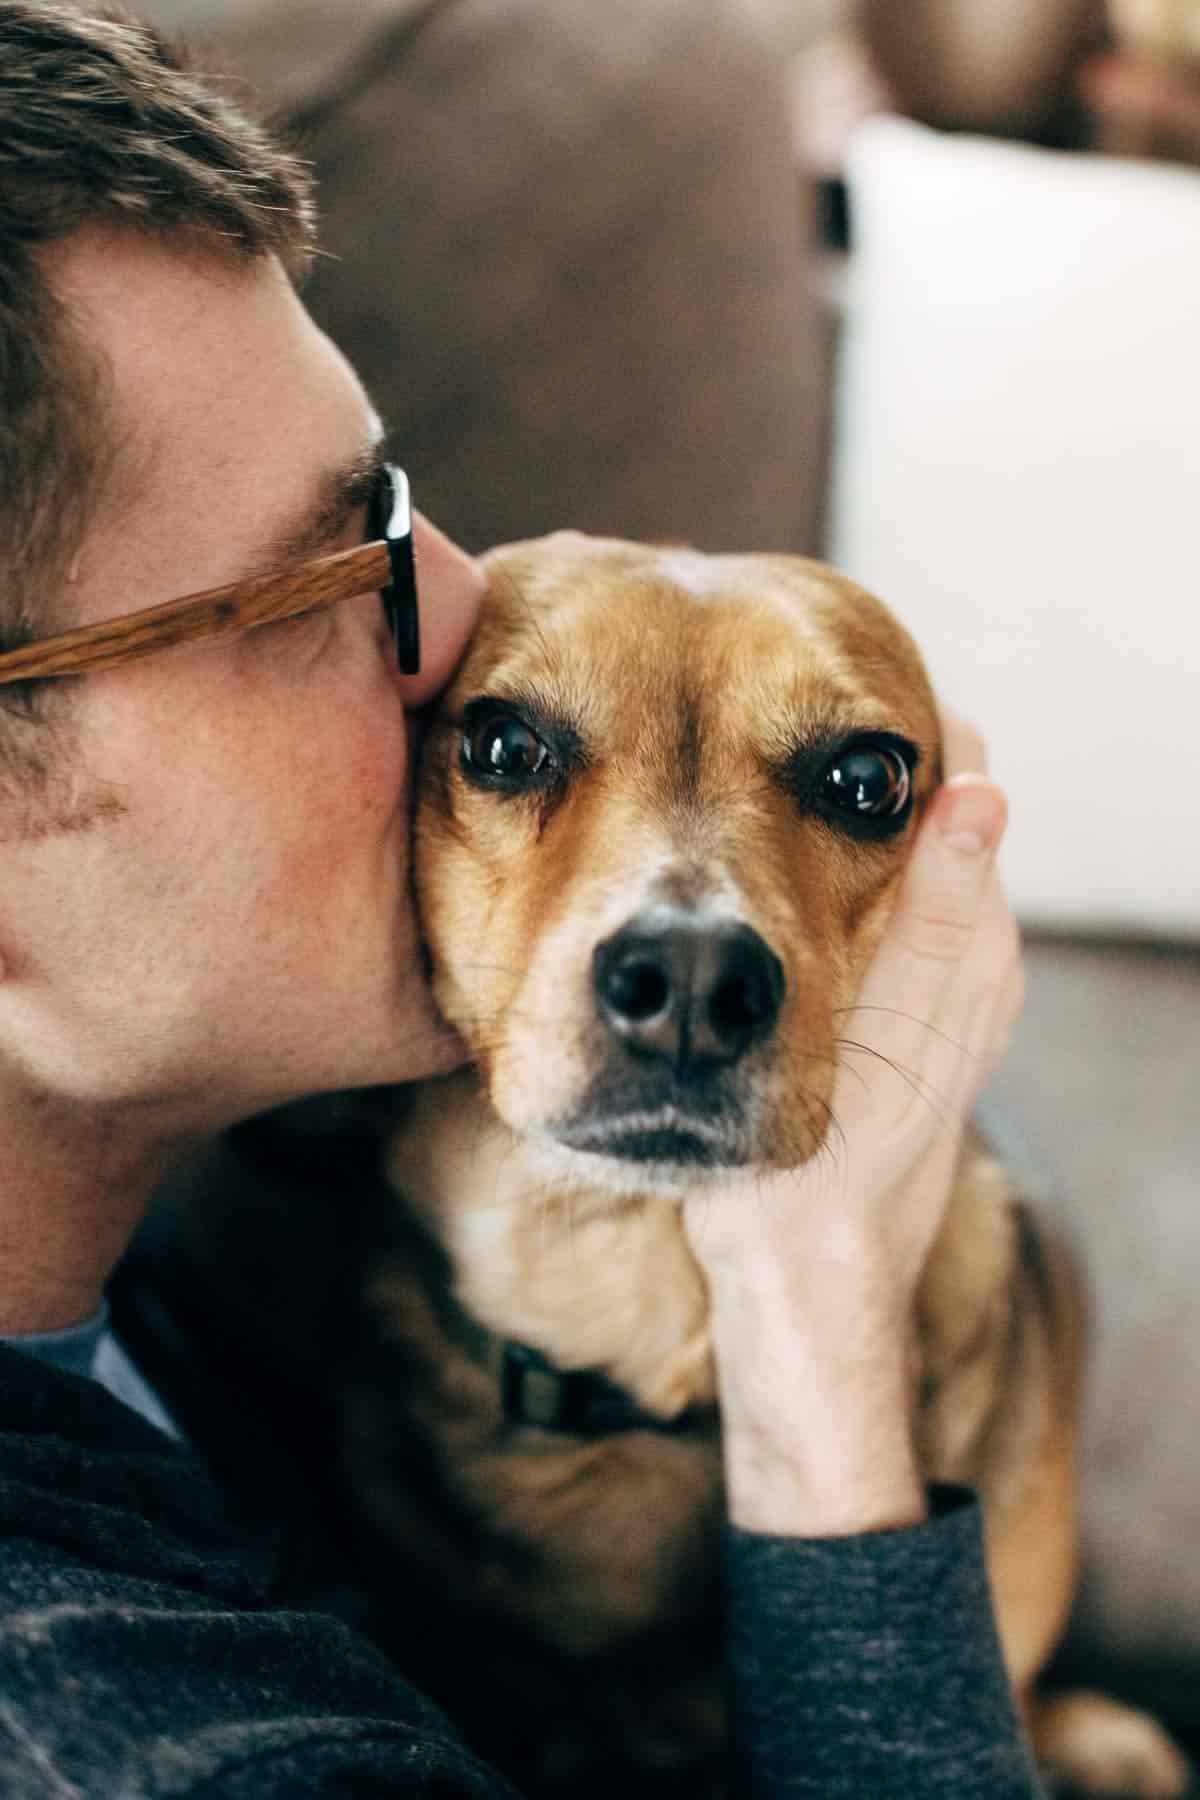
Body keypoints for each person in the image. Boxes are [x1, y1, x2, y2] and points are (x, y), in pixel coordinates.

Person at [0, 3, 1035, 1795]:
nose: (471, 609)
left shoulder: (196, 1244)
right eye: (308, 585)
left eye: (393, 513)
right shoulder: (156, 1742)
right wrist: (822, 1307)